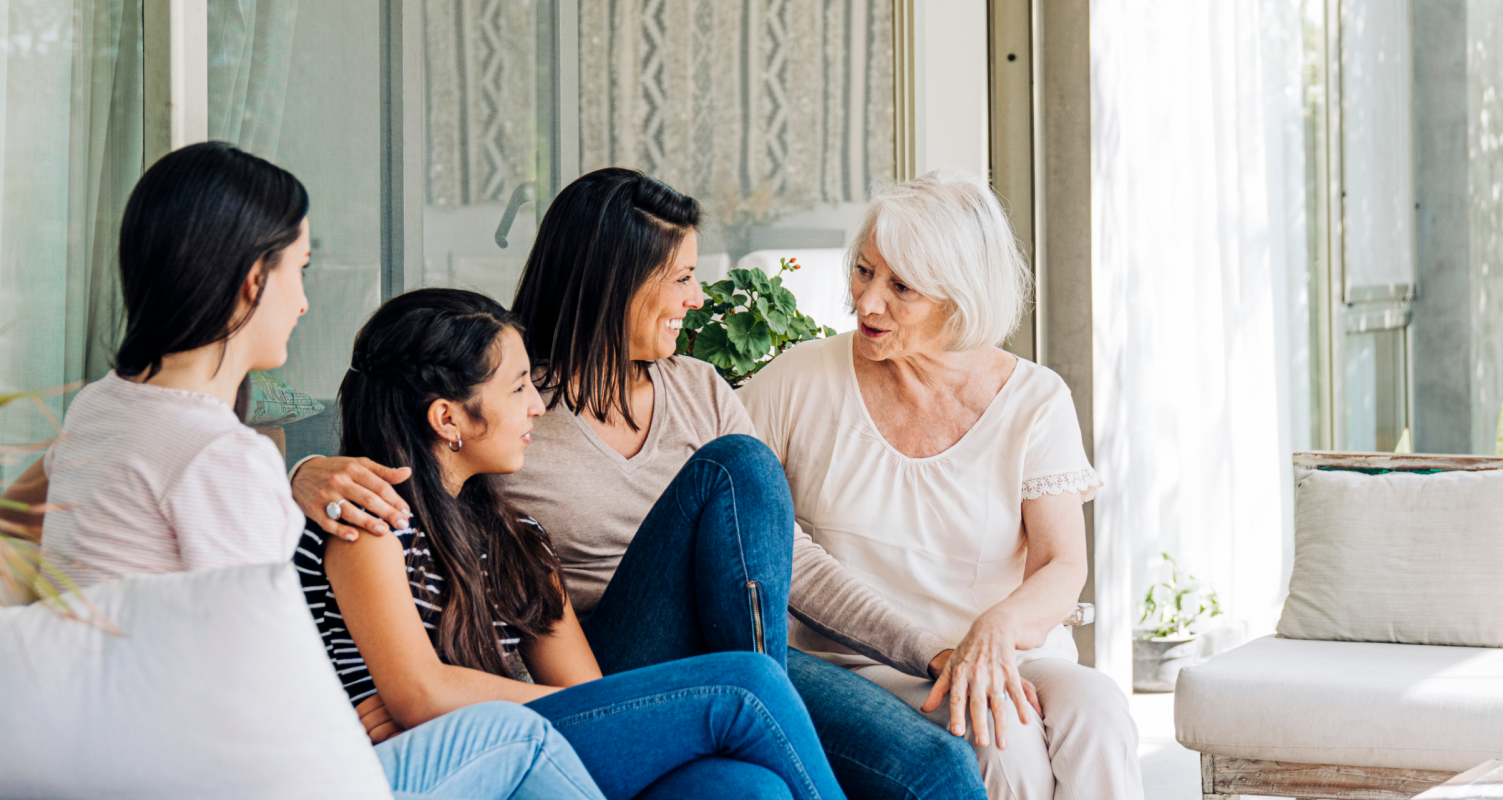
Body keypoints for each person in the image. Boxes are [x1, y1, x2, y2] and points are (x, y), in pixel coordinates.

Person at [291, 168, 988, 800]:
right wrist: (301, 472)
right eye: (681, 276)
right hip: (620, 667)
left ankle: (747, 705)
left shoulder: (689, 397)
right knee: (747, 677)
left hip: (712, 662)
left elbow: (788, 561)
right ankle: (745, 699)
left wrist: (927, 647)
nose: (697, 295)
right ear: (617, 282)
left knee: (892, 770)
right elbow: (398, 455)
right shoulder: (493, 429)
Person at [20, 141, 599, 800]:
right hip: (213, 777)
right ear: (252, 282)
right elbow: (255, 676)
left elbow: (6, 523)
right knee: (522, 735)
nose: (303, 301)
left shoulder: (101, 409)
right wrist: (350, 724)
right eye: (301, 269)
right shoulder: (221, 458)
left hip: (120, 755)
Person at [299, 286, 850, 800]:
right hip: (459, 770)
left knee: (746, 787)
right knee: (748, 685)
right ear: (448, 418)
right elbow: (421, 696)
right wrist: (581, 710)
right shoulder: (369, 527)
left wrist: (577, 710)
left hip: (536, 748)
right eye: (517, 387)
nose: (537, 404)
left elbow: (585, 693)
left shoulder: (519, 542)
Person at [738, 171, 1142, 800]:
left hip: (1009, 649)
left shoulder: (1034, 400)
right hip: (873, 662)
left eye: (902, 287)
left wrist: (997, 629)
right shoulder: (800, 380)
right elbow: (720, 490)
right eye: (865, 271)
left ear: (961, 297)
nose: (868, 302)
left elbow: (1062, 564)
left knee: (1100, 711)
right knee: (1007, 751)